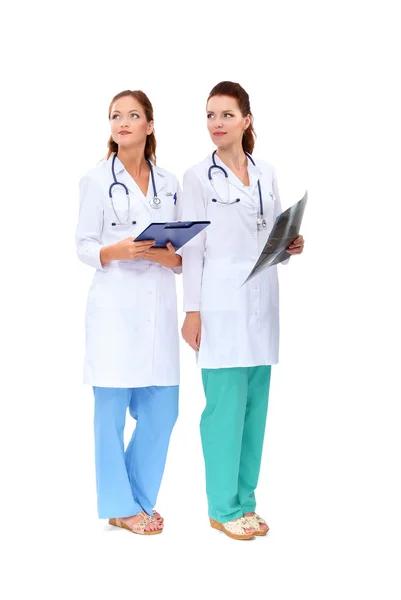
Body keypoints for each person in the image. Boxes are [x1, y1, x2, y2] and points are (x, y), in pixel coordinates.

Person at [180, 81, 305, 541]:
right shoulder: (197, 177)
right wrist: (192, 311)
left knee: (255, 409)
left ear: (246, 120)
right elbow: (192, 249)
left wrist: (290, 246)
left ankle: (247, 501)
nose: (217, 123)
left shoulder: (266, 171)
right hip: (220, 304)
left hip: (263, 302)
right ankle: (223, 507)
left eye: (226, 115)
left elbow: (266, 235)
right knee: (224, 410)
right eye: (211, 115)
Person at [75, 90, 182, 535]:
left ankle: (136, 497)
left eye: (133, 115)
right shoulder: (96, 180)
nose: (122, 122)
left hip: (156, 309)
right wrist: (114, 251)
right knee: (110, 416)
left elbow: (182, 253)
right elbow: (82, 245)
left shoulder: (170, 182)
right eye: (115, 116)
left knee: (164, 411)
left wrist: (167, 257)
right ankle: (120, 505)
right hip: (115, 312)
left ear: (149, 126)